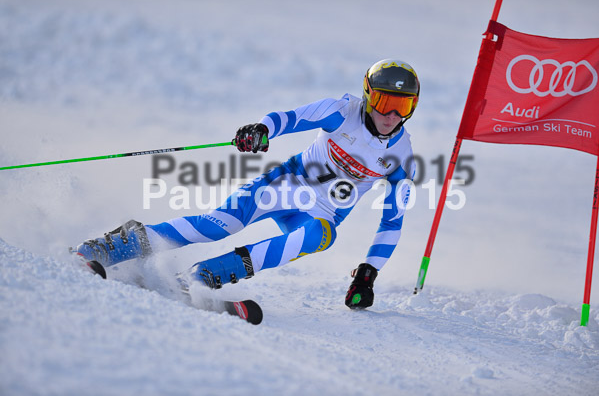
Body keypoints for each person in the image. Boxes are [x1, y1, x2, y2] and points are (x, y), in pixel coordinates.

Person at [73, 59, 419, 309]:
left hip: (321, 212)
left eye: (402, 106)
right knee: (219, 226)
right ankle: (108, 248)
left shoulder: (401, 156)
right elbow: (290, 118)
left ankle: (204, 276)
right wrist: (262, 129)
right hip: (285, 184)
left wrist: (368, 273)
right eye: (385, 102)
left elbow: (393, 221)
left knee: (322, 236)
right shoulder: (342, 111)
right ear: (368, 95)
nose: (391, 115)